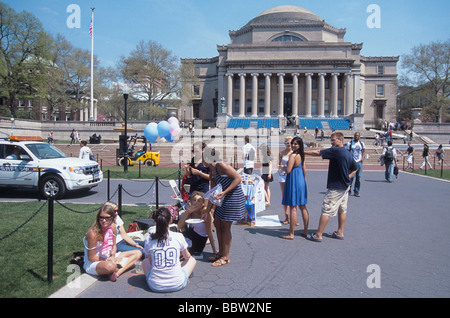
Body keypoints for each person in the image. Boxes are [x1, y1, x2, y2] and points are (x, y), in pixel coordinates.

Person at [304, 132, 358, 242]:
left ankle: (318, 234)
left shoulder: (335, 150)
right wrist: (348, 177)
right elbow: (355, 167)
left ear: (340, 140)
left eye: (333, 140)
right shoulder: (347, 152)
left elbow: (318, 152)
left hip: (336, 187)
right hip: (345, 186)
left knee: (326, 209)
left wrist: (302, 152)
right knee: (342, 209)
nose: (331, 142)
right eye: (331, 140)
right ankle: (340, 231)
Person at [203, 146, 245, 267]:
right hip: (222, 199)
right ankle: (220, 253)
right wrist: (207, 210)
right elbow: (213, 191)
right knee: (217, 223)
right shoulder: (212, 170)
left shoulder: (221, 165)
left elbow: (238, 178)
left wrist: (225, 192)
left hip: (233, 198)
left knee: (225, 227)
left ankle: (225, 257)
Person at [143, 207, 196, 293]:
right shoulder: (178, 236)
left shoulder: (149, 239)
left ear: (155, 221)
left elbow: (151, 262)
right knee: (192, 260)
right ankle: (176, 273)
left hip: (155, 285)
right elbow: (187, 257)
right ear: (170, 220)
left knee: (144, 261)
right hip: (178, 283)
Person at [83, 205, 141, 282]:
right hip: (94, 262)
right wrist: (108, 260)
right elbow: (91, 257)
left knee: (138, 253)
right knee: (110, 267)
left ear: (113, 218)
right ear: (98, 218)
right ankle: (119, 267)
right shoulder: (92, 233)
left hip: (108, 256)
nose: (104, 220)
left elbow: (113, 245)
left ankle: (116, 273)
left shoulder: (113, 227)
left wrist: (113, 256)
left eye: (107, 218)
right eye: (101, 217)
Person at [280, 137, 309, 240]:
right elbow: (304, 169)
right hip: (300, 179)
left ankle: (291, 234)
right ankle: (305, 230)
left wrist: (283, 167)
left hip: (293, 180)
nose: (293, 145)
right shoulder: (302, 155)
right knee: (302, 206)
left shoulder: (293, 155)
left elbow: (288, 170)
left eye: (295, 144)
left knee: (293, 208)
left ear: (300, 145)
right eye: (292, 143)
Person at [177, 191, 216, 256]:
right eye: (194, 200)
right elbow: (179, 227)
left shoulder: (205, 213)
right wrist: (187, 212)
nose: (195, 203)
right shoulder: (191, 211)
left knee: (188, 251)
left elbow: (209, 232)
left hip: (201, 238)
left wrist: (214, 251)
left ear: (203, 203)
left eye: (199, 201)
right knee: (177, 236)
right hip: (191, 234)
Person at [278, 137, 297, 225]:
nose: (288, 144)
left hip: (292, 175)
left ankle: (294, 218)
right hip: (283, 176)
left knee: (293, 196)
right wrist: (281, 167)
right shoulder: (281, 153)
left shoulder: (295, 153)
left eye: (290, 142)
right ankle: (287, 216)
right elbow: (278, 164)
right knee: (284, 196)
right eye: (287, 142)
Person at [346, 132, 365, 197]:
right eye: (355, 135)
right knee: (351, 177)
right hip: (352, 162)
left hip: (359, 162)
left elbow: (363, 150)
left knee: (359, 177)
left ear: (359, 136)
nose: (356, 137)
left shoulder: (361, 144)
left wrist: (362, 157)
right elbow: (347, 152)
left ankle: (357, 191)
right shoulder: (350, 143)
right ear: (354, 136)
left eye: (357, 136)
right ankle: (348, 189)